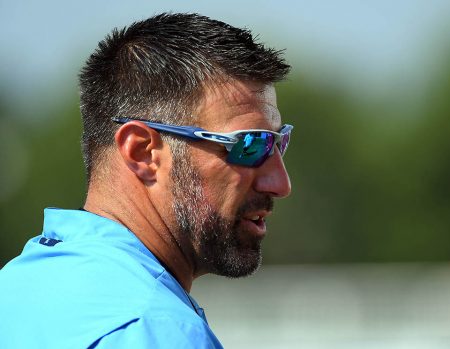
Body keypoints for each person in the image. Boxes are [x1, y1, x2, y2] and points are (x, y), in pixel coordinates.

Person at [0, 13, 292, 348]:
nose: (280, 184)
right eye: (249, 145)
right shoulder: (157, 328)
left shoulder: (15, 288)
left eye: (279, 141)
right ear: (142, 151)